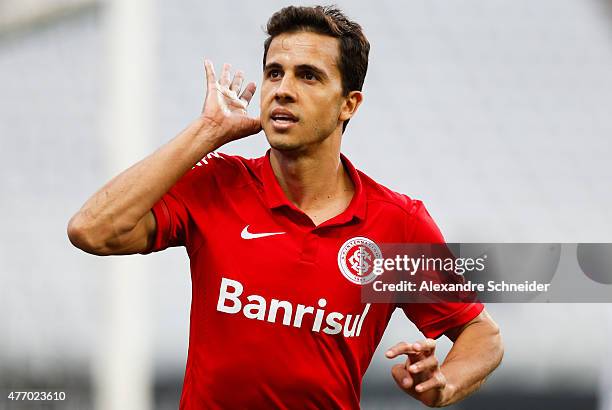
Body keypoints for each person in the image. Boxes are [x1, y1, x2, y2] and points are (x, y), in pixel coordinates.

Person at [67, 5, 503, 409]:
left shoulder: (395, 224)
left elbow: (482, 335)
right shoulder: (218, 184)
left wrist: (444, 383)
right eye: (274, 73)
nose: (283, 90)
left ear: (348, 104)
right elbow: (92, 229)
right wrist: (206, 131)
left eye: (308, 76)